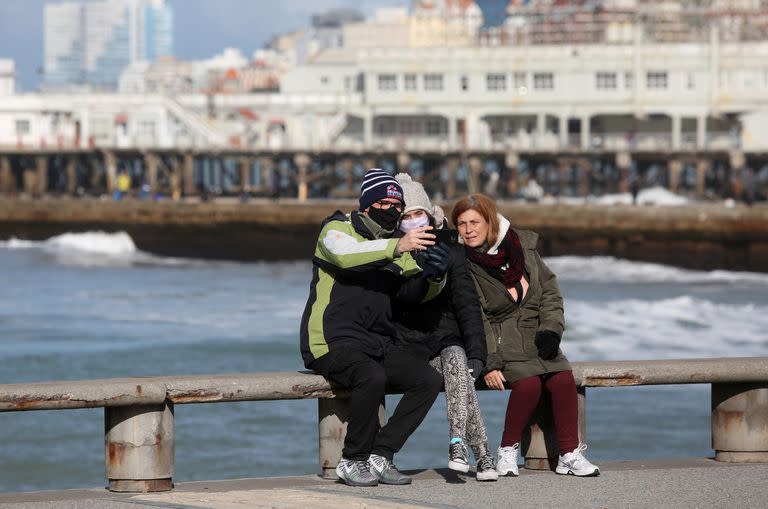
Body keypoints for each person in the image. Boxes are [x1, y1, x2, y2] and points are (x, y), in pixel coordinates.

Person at [300, 169, 444, 487]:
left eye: (397, 203)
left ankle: (382, 454)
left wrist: (435, 273)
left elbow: (415, 290)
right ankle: (352, 460)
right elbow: (347, 256)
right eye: (387, 202)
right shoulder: (336, 229)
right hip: (330, 342)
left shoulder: (394, 244)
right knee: (371, 376)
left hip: (375, 342)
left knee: (428, 380)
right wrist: (397, 246)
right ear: (368, 204)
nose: (393, 209)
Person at [451, 194, 600, 478]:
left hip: (538, 337)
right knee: (529, 384)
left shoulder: (523, 249)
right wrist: (490, 362)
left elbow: (550, 293)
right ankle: (507, 450)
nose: (468, 229)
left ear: (490, 222)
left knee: (562, 378)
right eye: (461, 224)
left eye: (474, 222)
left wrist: (551, 330)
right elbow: (473, 317)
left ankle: (569, 454)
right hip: (500, 341)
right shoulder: (463, 264)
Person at [391, 173, 497, 482]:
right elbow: (400, 299)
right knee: (458, 369)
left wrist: (478, 354)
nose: (413, 221)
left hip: (445, 339)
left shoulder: (451, 249)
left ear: (429, 214)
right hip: (409, 345)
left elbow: (467, 304)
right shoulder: (393, 250)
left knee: (457, 357)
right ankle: (484, 455)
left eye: (418, 214)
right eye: (406, 216)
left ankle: (457, 444)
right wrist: (426, 274)